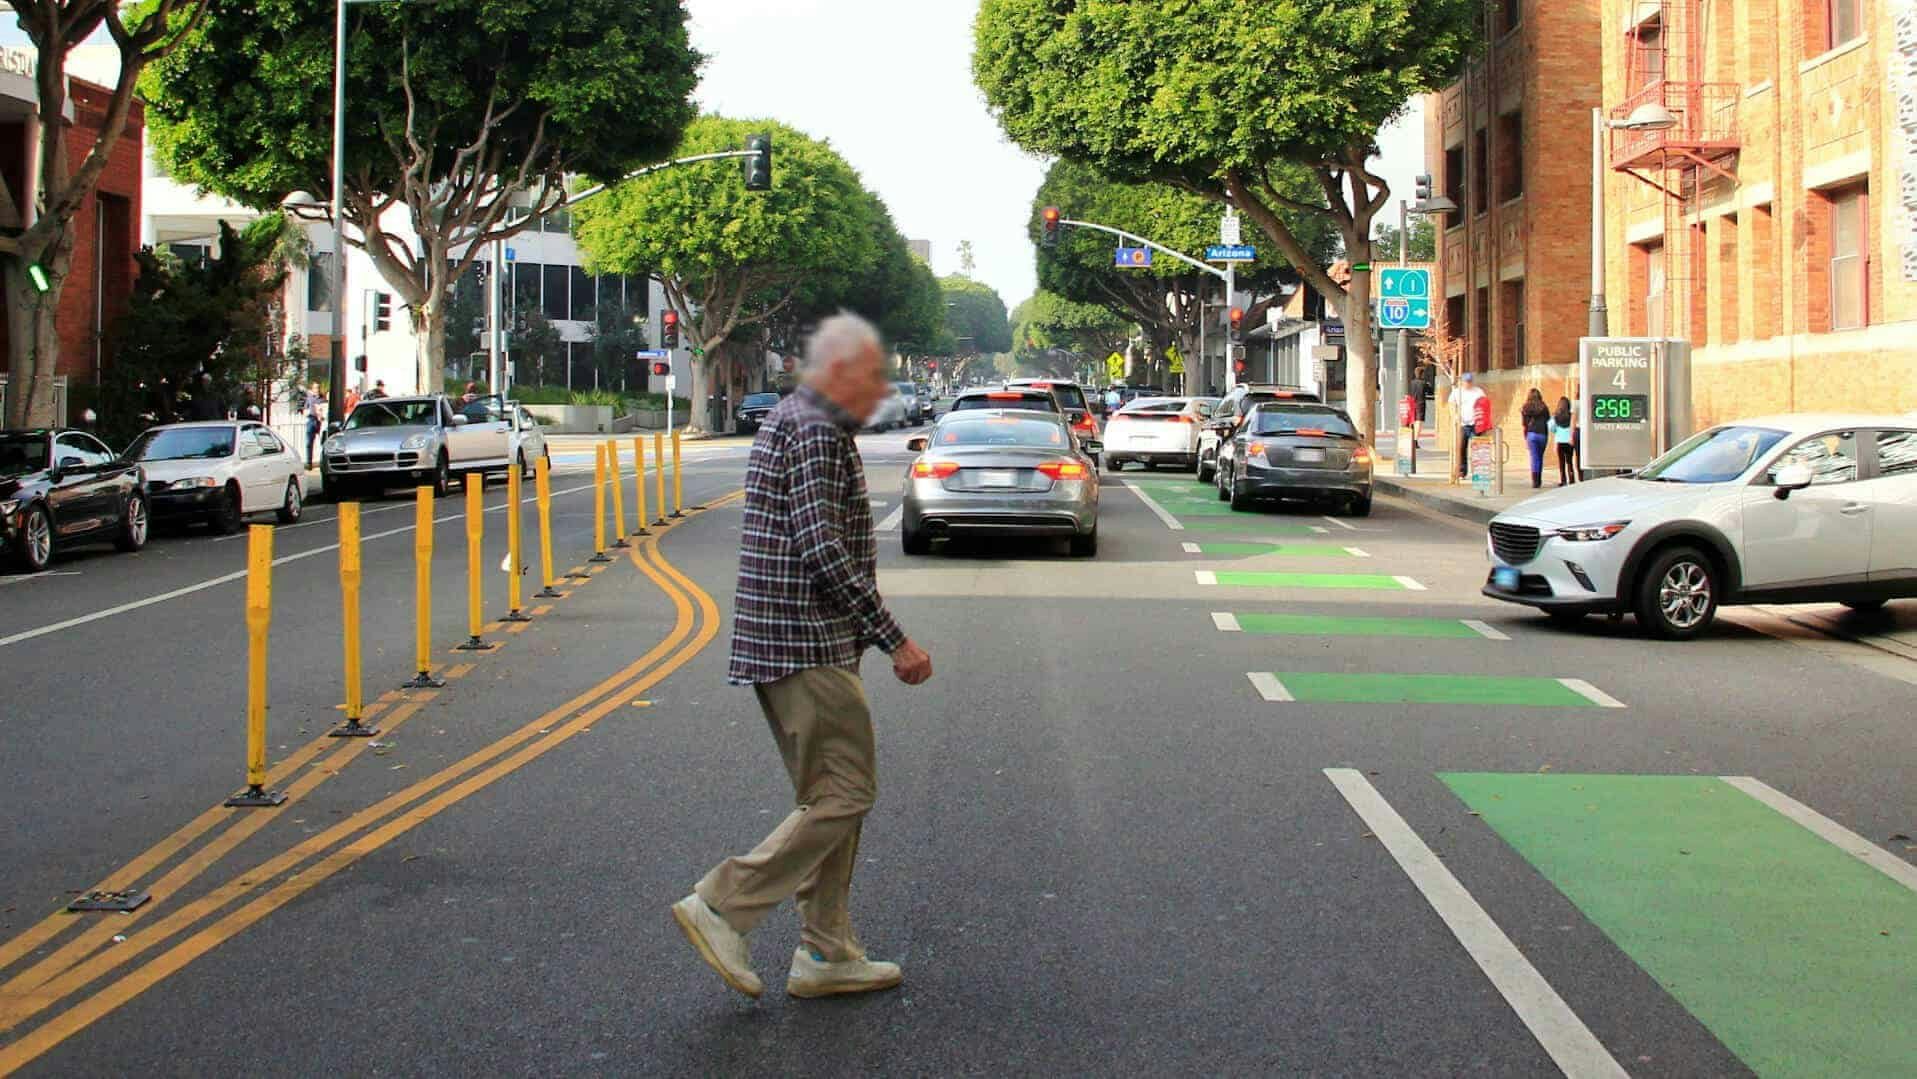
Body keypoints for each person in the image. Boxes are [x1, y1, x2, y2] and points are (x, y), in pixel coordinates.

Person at [672, 312, 933, 1002]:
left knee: (829, 796)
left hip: (789, 639)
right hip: (803, 640)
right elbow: (823, 549)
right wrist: (894, 638)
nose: (879, 391)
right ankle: (725, 903)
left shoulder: (797, 418)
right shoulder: (816, 429)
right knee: (846, 792)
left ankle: (827, 949)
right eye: (872, 375)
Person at [1448, 372, 1486, 479]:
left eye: (1470, 381)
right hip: (1463, 424)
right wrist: (1454, 416)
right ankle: (1461, 471)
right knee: (1461, 448)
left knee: (1477, 447)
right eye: (1466, 381)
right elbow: (1451, 404)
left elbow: (1484, 404)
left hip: (1476, 424)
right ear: (1461, 382)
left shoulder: (1478, 392)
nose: (1468, 383)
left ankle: (1478, 471)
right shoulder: (1457, 392)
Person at [1520, 388, 1550, 489]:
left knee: (1534, 457)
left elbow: (1524, 424)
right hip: (1542, 433)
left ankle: (1535, 481)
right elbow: (1548, 419)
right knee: (1540, 457)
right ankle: (1539, 479)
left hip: (1531, 433)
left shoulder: (1525, 407)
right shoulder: (1544, 407)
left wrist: (1525, 436)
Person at [1550, 395, 1578, 485]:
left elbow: (1552, 428)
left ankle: (1563, 480)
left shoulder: (1555, 416)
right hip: (1569, 441)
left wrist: (1556, 432)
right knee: (1569, 462)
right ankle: (1572, 479)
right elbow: (1574, 424)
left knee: (1561, 463)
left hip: (1559, 442)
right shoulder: (1571, 415)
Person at [302, 382, 326, 466]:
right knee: (309, 443)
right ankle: (309, 462)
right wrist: (306, 413)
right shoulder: (310, 398)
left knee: (323, 442)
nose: (317, 390)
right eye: (315, 388)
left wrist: (322, 414)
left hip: (320, 421)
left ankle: (323, 461)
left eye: (318, 388)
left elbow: (325, 408)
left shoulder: (323, 398)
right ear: (313, 389)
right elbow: (305, 408)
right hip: (311, 419)